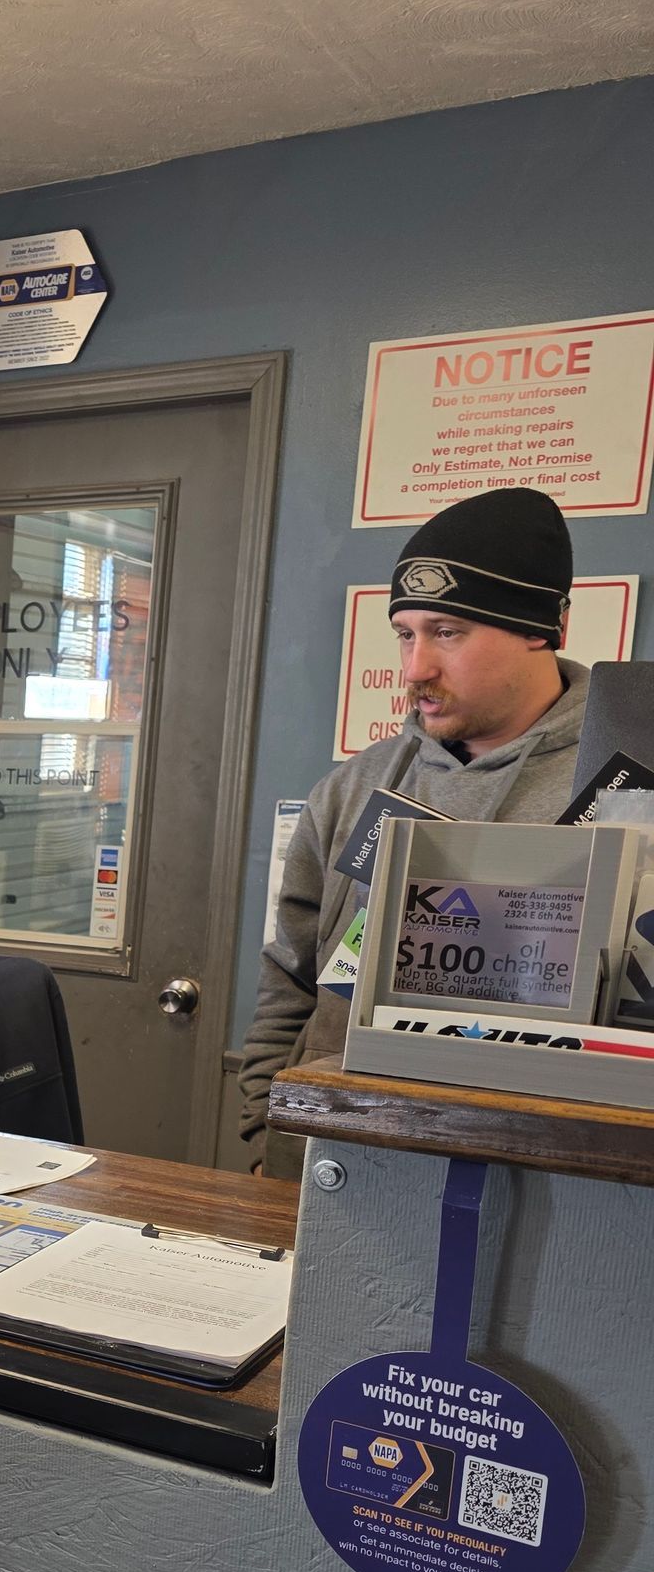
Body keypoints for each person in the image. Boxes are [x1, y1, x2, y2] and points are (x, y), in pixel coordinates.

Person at [240, 486, 591, 1178]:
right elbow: (291, 977)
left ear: (541, 630)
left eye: (448, 633)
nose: (415, 669)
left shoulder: (626, 787)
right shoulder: (352, 788)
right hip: (330, 1163)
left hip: (543, 1183)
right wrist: (264, 1132)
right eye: (407, 633)